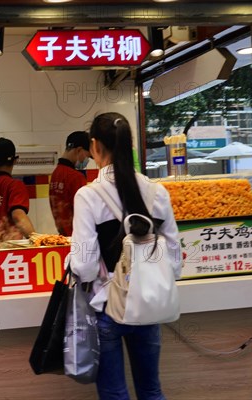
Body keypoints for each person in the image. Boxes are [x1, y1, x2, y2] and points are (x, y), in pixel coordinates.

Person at [69, 112, 181, 399]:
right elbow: (174, 262)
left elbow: (85, 267)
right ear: (129, 145)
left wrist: (71, 263)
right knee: (152, 390)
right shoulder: (157, 192)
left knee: (114, 393)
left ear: (94, 146)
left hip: (107, 308)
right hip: (148, 307)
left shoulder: (88, 195)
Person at [0, 137, 35, 242]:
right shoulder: (15, 185)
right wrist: (36, 240)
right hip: (8, 248)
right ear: (15, 160)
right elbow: (18, 216)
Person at [49, 130, 91, 236]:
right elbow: (84, 213)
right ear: (79, 150)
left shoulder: (55, 173)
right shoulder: (76, 177)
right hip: (78, 236)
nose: (87, 161)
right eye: (88, 156)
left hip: (63, 236)